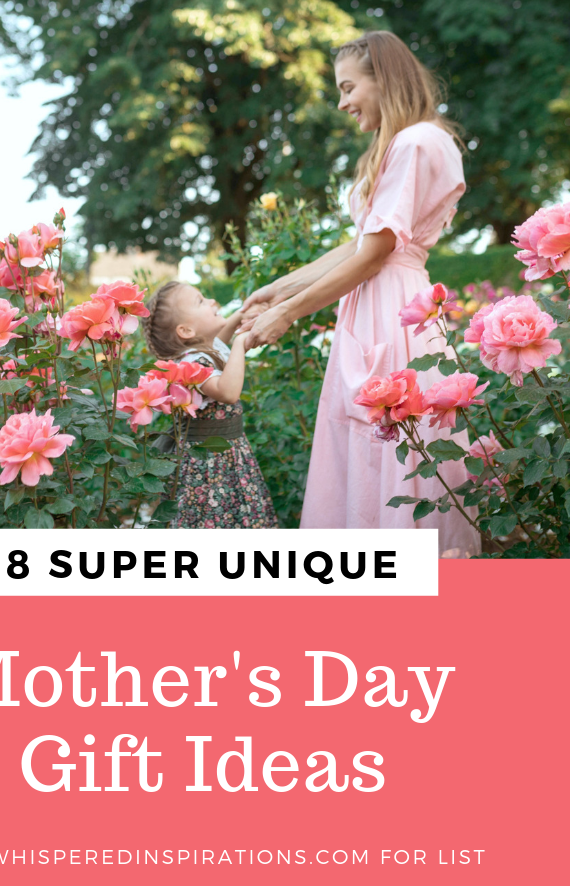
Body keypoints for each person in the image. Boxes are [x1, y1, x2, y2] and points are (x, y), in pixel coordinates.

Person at [240, 30, 479, 557]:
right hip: (384, 302)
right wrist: (276, 291)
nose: (343, 102)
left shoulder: (416, 141)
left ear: (384, 80)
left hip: (392, 308)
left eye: (349, 87)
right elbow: (361, 244)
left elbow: (374, 255)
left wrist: (288, 316)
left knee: (396, 456)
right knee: (378, 453)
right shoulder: (407, 143)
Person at [143, 282, 278, 528]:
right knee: (215, 516)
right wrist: (241, 342)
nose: (212, 302)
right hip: (209, 464)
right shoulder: (191, 364)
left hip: (226, 453)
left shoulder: (204, 348)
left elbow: (220, 344)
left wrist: (242, 313)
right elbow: (227, 392)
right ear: (186, 330)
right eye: (201, 301)